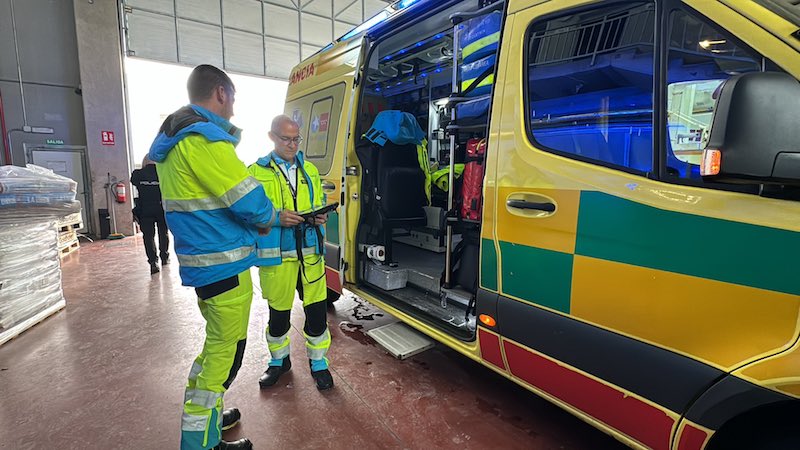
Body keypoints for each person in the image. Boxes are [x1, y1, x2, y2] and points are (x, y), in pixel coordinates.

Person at [148, 64, 290, 450]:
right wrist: (271, 218)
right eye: (233, 99)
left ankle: (209, 421)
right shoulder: (203, 140)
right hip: (223, 265)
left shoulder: (174, 141)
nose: (232, 108)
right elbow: (245, 196)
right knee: (222, 360)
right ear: (222, 94)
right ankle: (202, 444)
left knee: (215, 350)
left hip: (205, 264)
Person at [248, 115, 334, 391]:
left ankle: (319, 363)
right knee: (279, 316)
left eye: (297, 139)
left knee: (317, 313)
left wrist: (321, 217)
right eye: (287, 139)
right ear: (272, 137)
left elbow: (318, 201)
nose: (293, 144)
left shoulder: (309, 170)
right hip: (277, 257)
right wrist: (276, 218)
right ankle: (279, 362)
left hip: (310, 253)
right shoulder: (255, 172)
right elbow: (247, 215)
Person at [130, 155, 169, 274]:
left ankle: (153, 262)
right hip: (161, 208)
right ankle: (164, 257)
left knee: (148, 236)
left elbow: (133, 182)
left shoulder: (137, 174)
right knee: (163, 233)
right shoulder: (163, 173)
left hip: (145, 210)